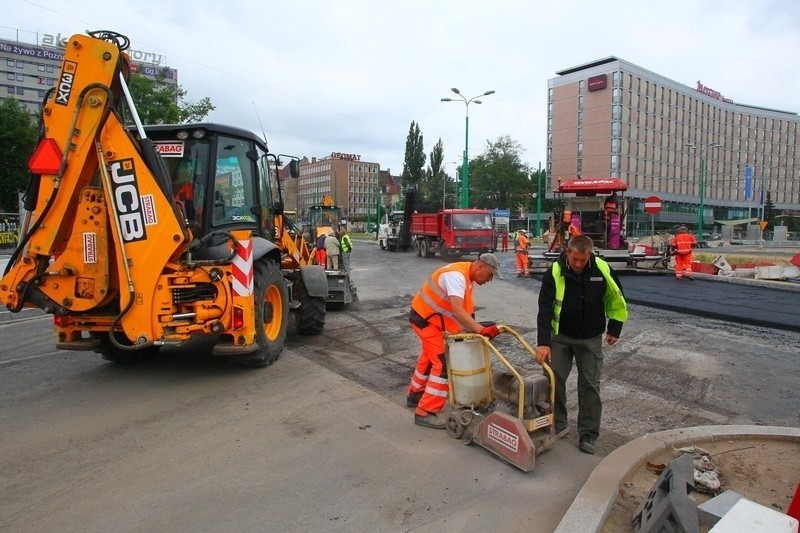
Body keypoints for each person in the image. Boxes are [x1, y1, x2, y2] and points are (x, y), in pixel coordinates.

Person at [534, 235, 627, 455]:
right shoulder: (555, 272)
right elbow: (545, 308)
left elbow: (616, 298)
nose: (577, 264)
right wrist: (544, 343)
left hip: (591, 338)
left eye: (582, 260)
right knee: (554, 381)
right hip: (561, 337)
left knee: (590, 386)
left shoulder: (601, 269)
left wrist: (614, 328)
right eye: (574, 259)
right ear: (568, 252)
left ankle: (588, 434)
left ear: (589, 255)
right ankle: (558, 422)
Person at [407, 253, 503, 429]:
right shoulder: (457, 276)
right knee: (443, 363)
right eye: (490, 275)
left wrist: (475, 326)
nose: (490, 280)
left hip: (432, 320)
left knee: (430, 357)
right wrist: (480, 330)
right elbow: (458, 311)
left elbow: (465, 310)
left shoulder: (467, 276)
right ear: (480, 266)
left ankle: (415, 395)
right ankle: (425, 412)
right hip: (425, 320)